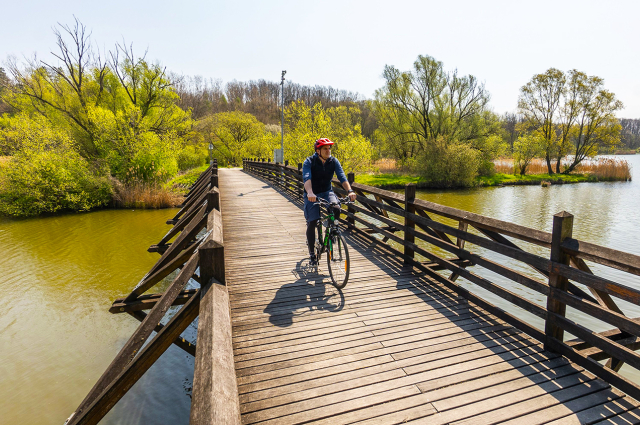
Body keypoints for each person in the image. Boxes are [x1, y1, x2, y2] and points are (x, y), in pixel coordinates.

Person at [302, 138, 357, 265]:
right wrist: (310, 192)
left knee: (336, 208)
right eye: (325, 149)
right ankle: (312, 254)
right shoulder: (309, 161)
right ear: (318, 151)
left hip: (327, 192)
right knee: (313, 221)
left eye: (329, 148)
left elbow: (342, 176)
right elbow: (306, 178)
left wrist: (350, 191)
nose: (328, 151)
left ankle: (331, 233)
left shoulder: (333, 161)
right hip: (312, 194)